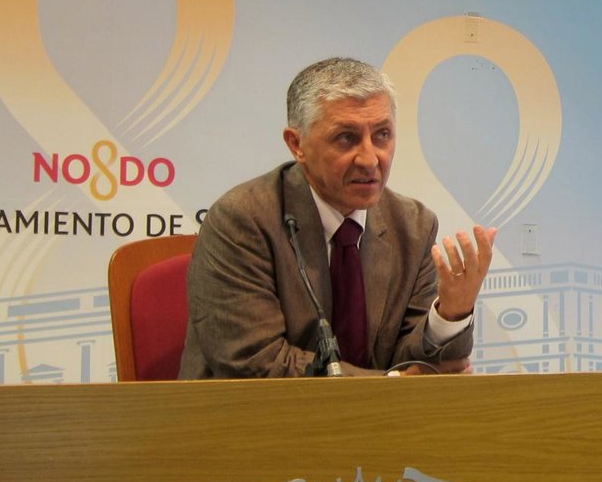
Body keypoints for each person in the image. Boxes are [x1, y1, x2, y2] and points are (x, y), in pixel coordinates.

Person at [178, 57, 496, 378]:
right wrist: (391, 384)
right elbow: (255, 361)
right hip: (253, 409)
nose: (370, 159)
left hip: (381, 411)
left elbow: (428, 366)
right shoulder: (242, 220)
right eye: (346, 138)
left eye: (382, 135)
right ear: (297, 144)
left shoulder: (413, 225)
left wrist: (451, 314)